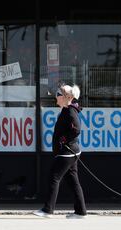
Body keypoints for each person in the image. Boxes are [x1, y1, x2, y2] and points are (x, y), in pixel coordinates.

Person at [33, 83, 87, 219]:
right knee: (73, 181)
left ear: (65, 97)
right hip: (70, 151)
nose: (56, 97)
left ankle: (48, 210)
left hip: (67, 151)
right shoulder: (67, 109)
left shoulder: (69, 111)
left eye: (58, 95)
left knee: (54, 177)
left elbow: (76, 129)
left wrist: (64, 139)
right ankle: (81, 212)